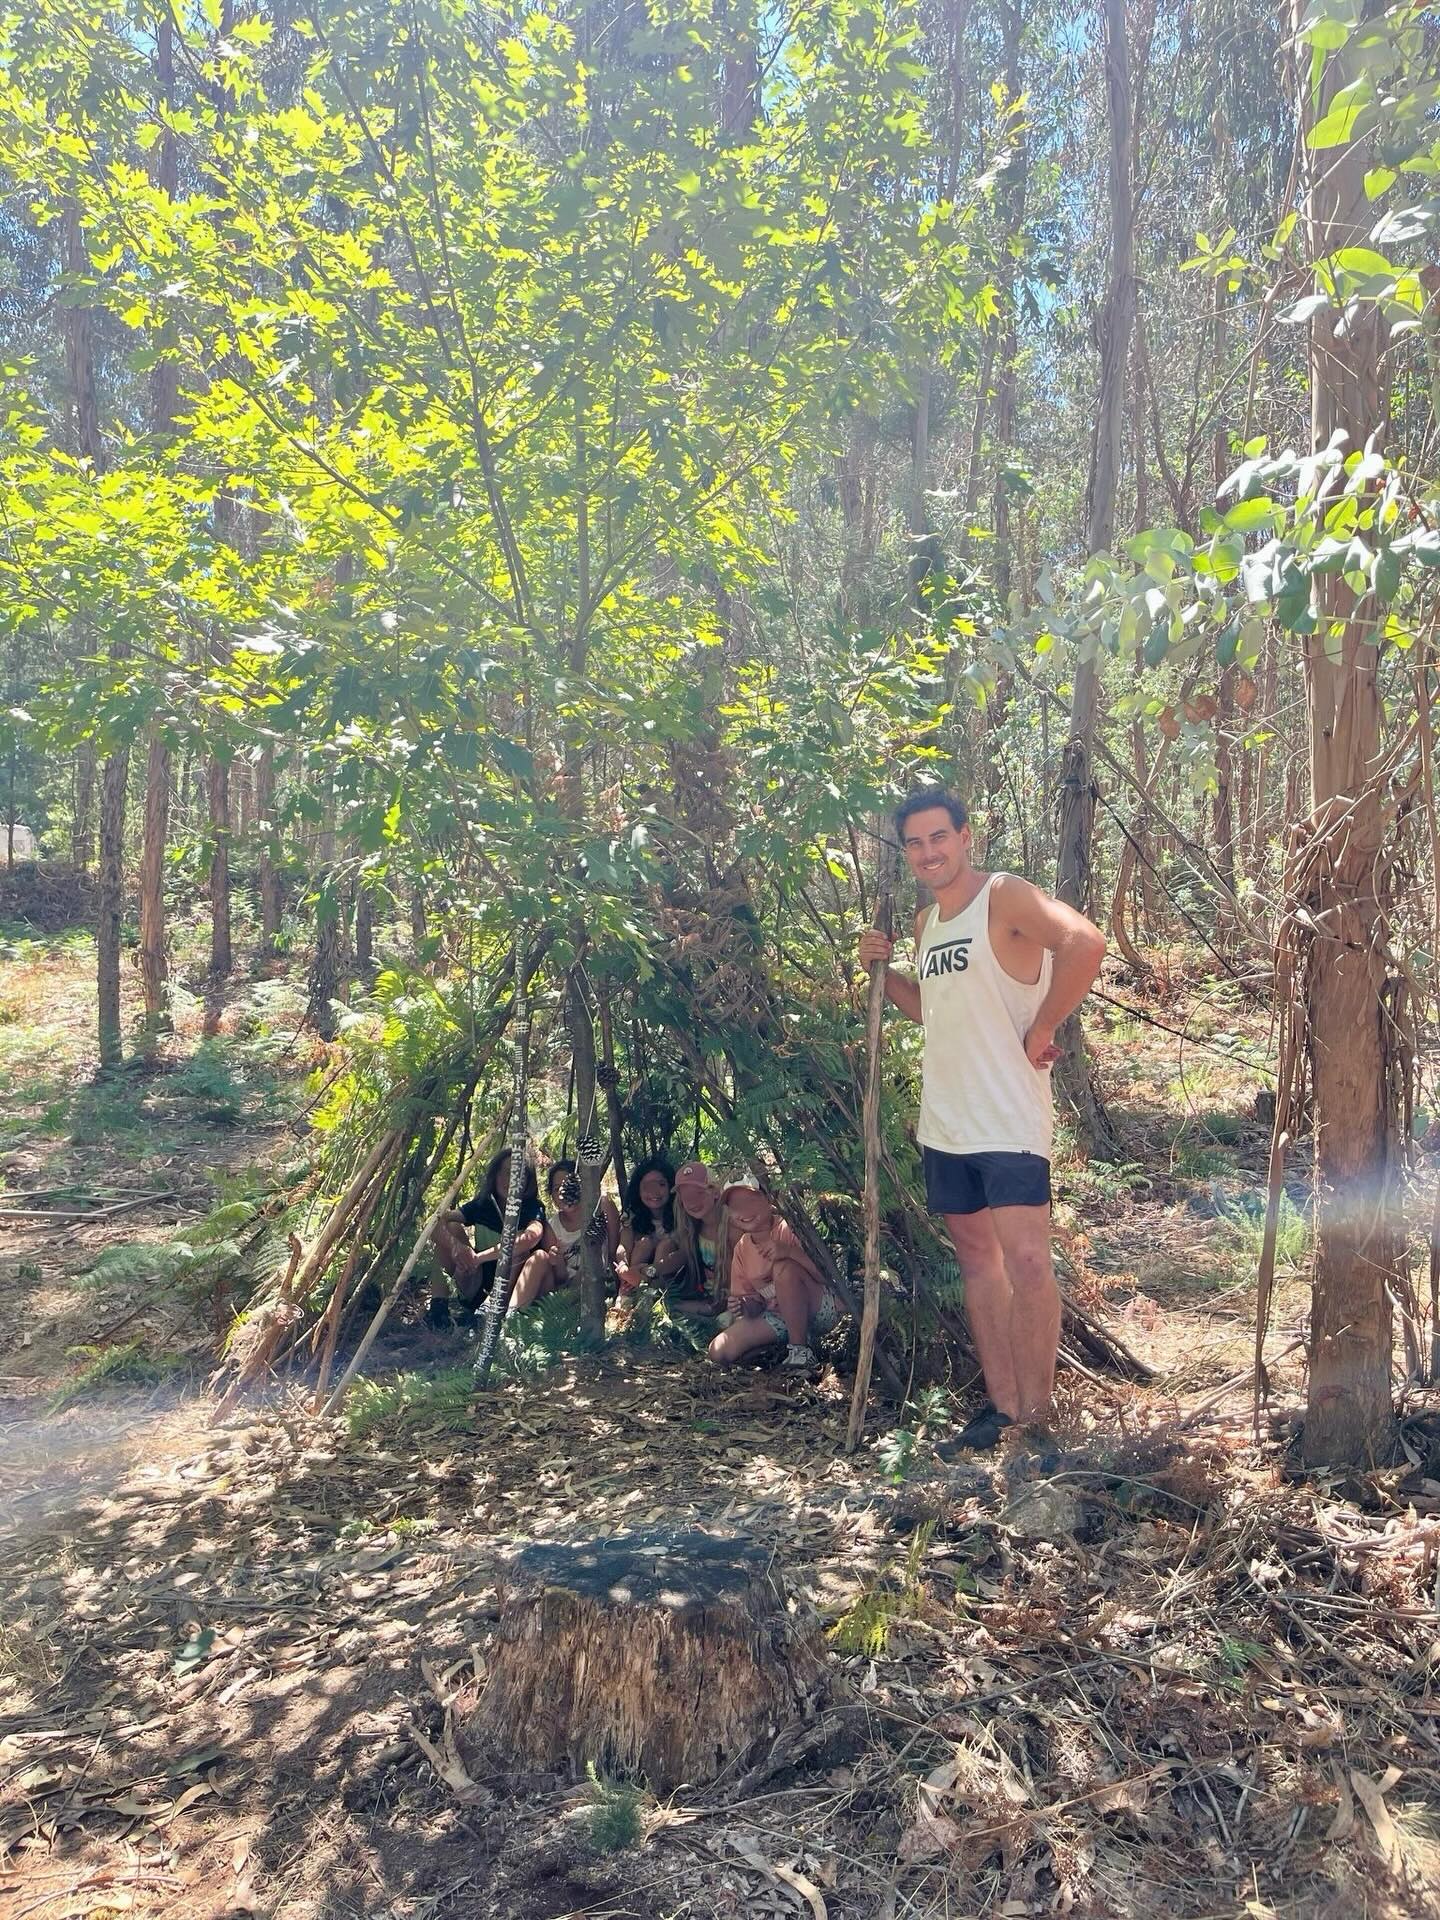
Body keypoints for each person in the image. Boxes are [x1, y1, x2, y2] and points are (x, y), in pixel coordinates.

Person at [857, 787, 1106, 1449]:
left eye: (938, 837)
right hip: (947, 1121)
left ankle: (1037, 1420)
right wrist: (881, 973)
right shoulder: (925, 925)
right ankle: (1001, 1410)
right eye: (914, 843)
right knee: (977, 1263)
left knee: (1027, 1262)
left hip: (1008, 1117)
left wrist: (1046, 1024)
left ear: (965, 837)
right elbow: (931, 1012)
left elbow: (1086, 943)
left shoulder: (1004, 896)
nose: (927, 852)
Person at [706, 1178, 841, 1371]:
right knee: (719, 1351)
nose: (743, 1211)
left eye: (750, 1201)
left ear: (769, 1198)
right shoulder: (742, 1249)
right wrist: (743, 1305)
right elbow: (754, 1304)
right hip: (778, 1317)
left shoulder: (789, 1229)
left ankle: (801, 1352)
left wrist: (789, 1252)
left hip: (818, 1308)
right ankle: (775, 1352)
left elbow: (829, 1277)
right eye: (735, 1207)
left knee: (783, 1269)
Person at [427, 1147, 547, 1328]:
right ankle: (439, 1308)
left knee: (527, 1252)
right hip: (478, 1279)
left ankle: (505, 1318)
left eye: (518, 1175)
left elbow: (532, 1236)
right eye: (506, 1173)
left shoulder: (532, 1207)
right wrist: (457, 1247)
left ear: (528, 1183)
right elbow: (434, 1223)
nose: (510, 1181)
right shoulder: (483, 1204)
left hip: (511, 1288)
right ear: (495, 1175)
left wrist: (480, 1257)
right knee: (450, 1229)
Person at [521, 1158, 623, 1306]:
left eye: (569, 1185)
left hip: (601, 1284)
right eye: (556, 1189)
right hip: (566, 1295)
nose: (563, 1192)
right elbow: (561, 1278)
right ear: (552, 1197)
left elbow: (614, 1252)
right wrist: (557, 1262)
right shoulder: (552, 1227)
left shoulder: (602, 1207)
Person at [664, 1161, 730, 1320]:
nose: (692, 1201)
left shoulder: (731, 1227)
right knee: (667, 1304)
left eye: (699, 1193)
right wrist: (650, 1270)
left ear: (715, 1192)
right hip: (708, 1296)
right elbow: (680, 1255)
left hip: (731, 1299)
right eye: (686, 1196)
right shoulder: (692, 1229)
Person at [614, 1156, 685, 1294]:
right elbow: (624, 1246)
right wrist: (623, 1266)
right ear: (638, 1189)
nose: (654, 1192)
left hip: (669, 1274)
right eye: (647, 1186)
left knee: (666, 1245)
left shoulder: (682, 1214)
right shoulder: (631, 1215)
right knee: (644, 1243)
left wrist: (651, 1270)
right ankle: (629, 1293)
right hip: (637, 1269)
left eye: (661, 1184)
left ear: (671, 1187)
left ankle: (652, 1295)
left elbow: (684, 1254)